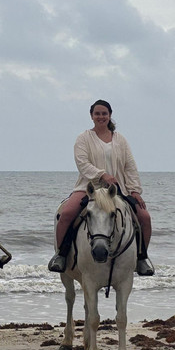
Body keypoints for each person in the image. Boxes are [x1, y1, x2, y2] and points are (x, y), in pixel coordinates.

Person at [48, 99, 154, 276]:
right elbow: (82, 163)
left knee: (144, 217)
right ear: (91, 116)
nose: (101, 116)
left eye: (104, 113)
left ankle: (141, 257)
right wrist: (101, 175)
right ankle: (61, 255)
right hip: (87, 187)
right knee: (66, 215)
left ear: (110, 115)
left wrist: (135, 190)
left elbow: (130, 166)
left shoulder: (121, 140)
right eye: (97, 113)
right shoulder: (83, 138)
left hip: (116, 189)